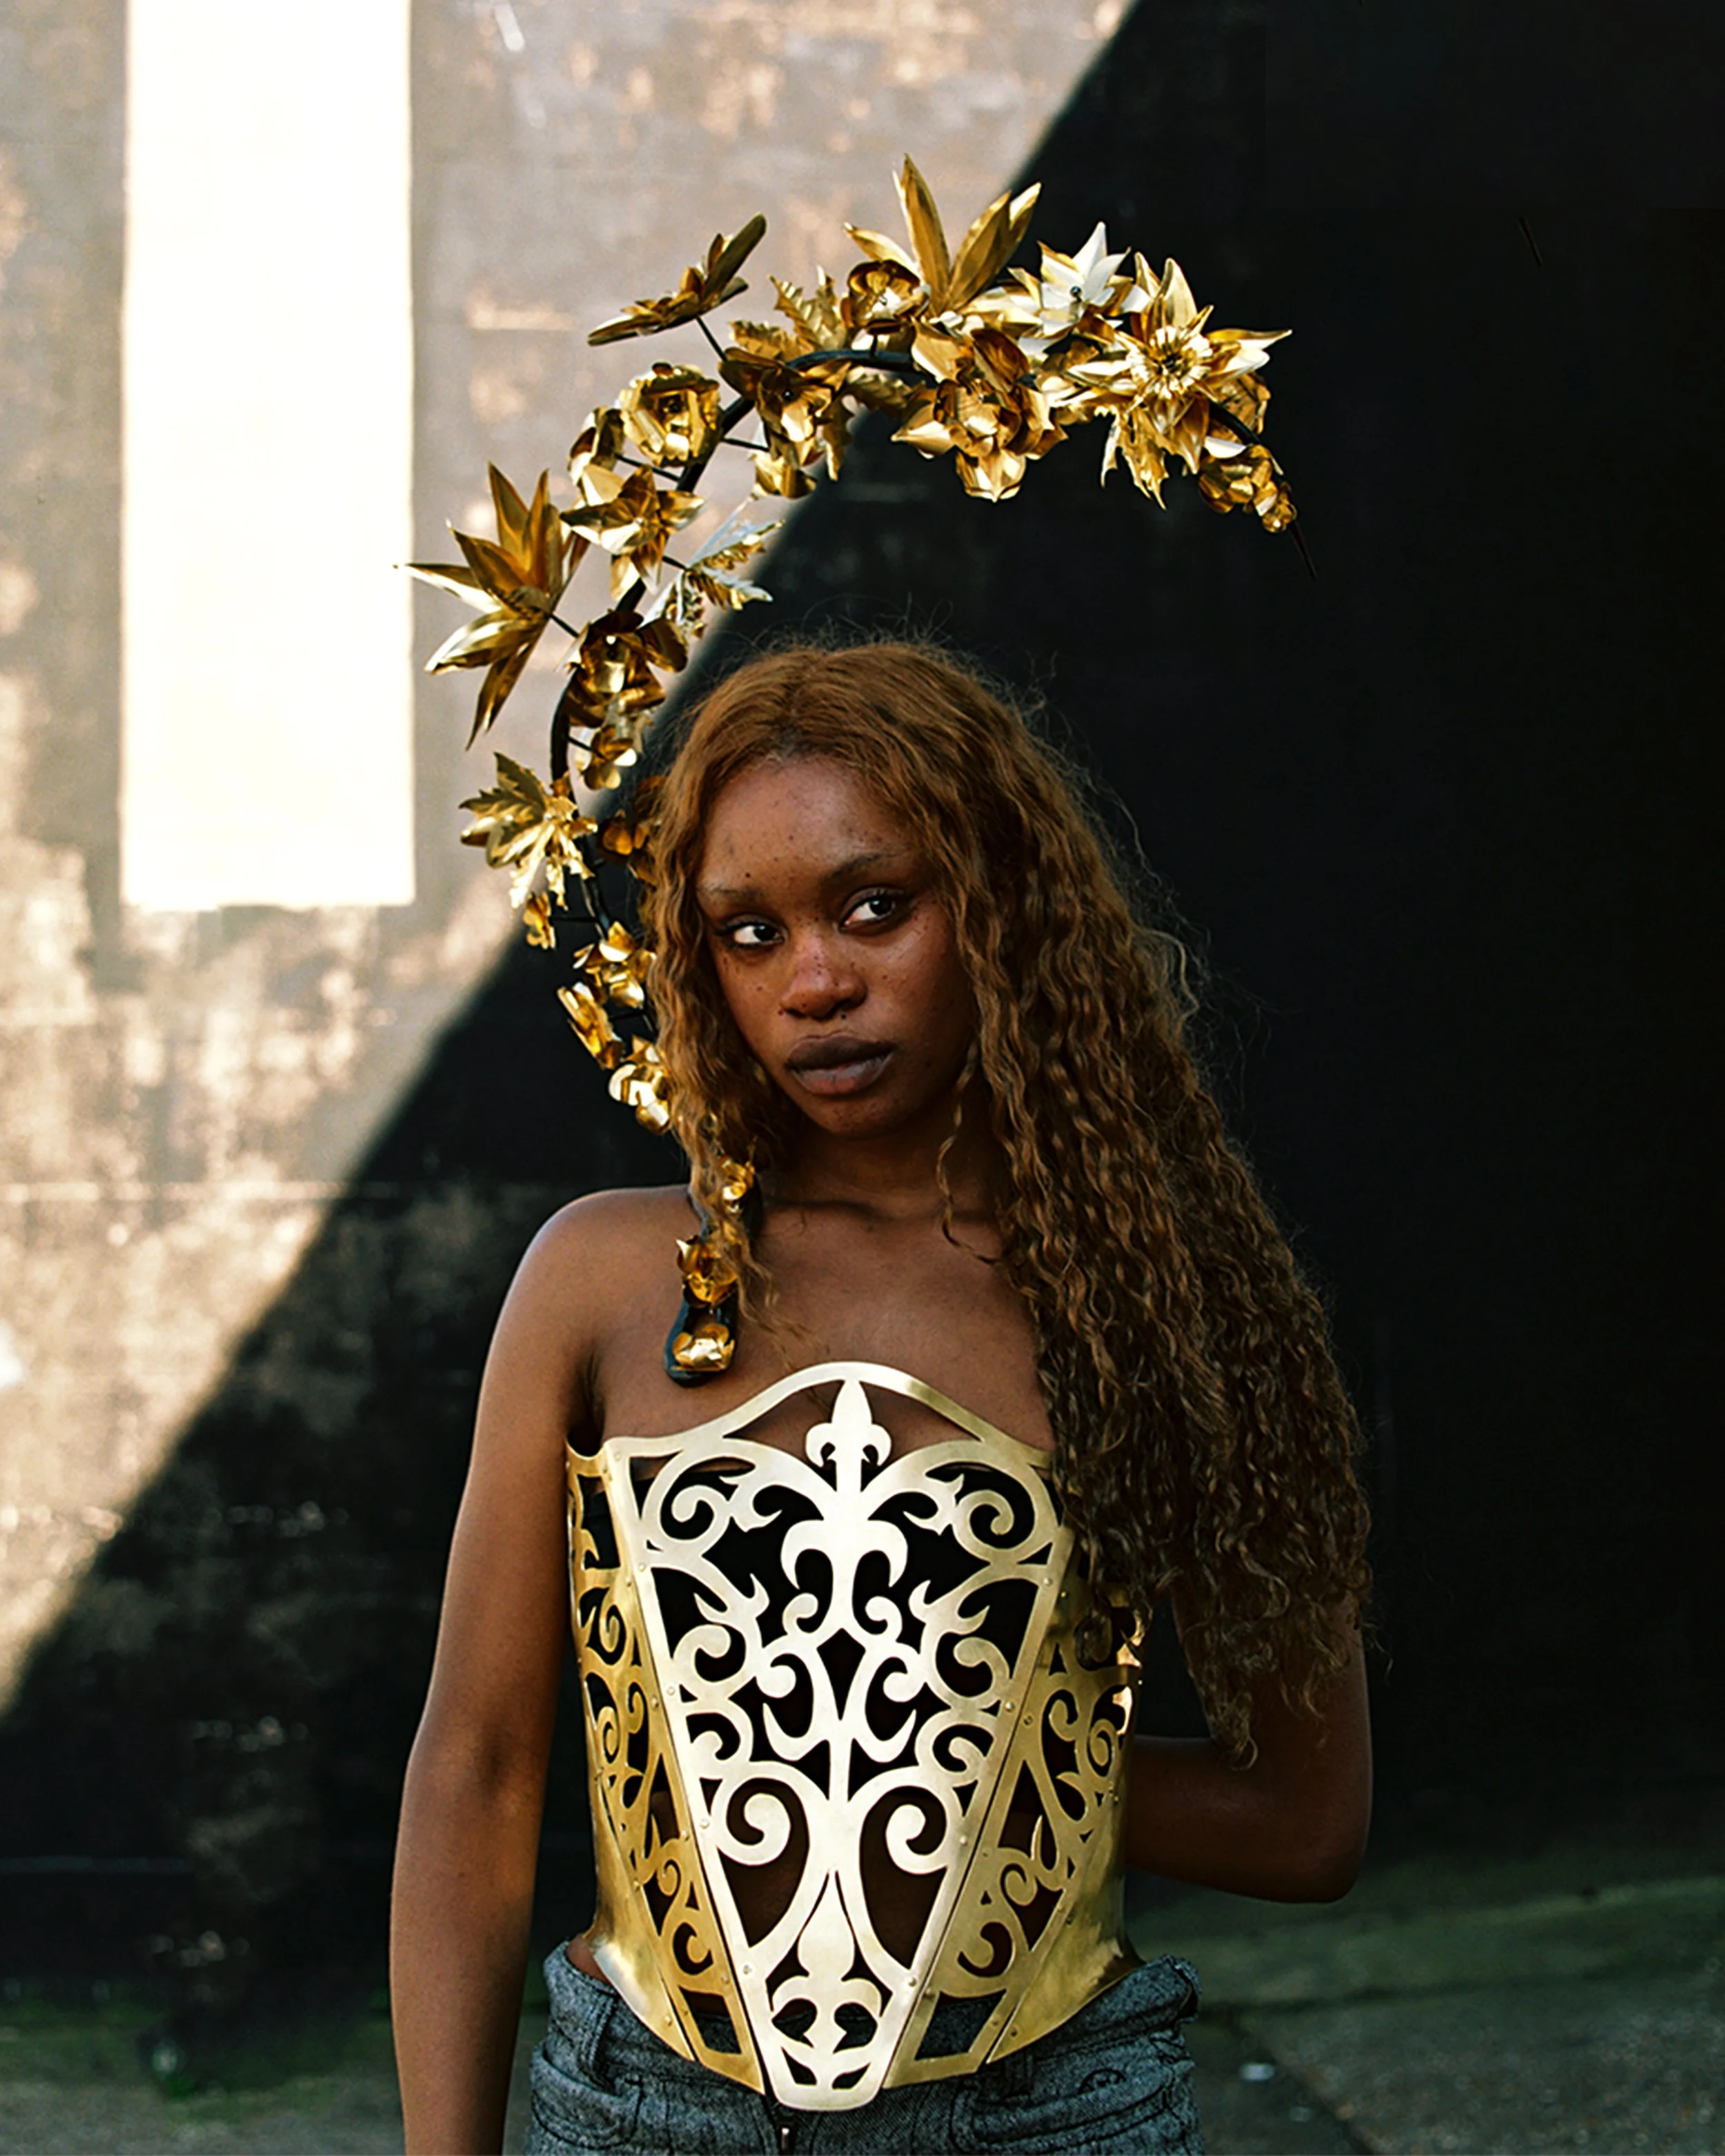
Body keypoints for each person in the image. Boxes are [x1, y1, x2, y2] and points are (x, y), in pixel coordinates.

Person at [391, 639, 1372, 2155]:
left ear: (998, 903)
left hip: (1044, 2114)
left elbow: (1304, 1823)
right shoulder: (603, 1282)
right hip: (641, 2109)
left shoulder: (1155, 1294)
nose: (816, 982)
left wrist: (966, 1758)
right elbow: (477, 1767)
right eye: (749, 930)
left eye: (873, 906)